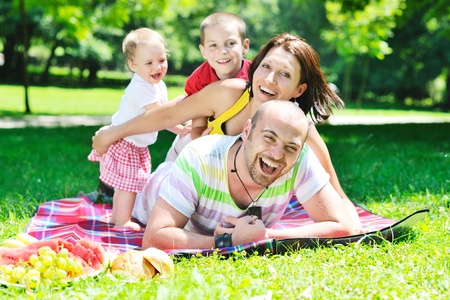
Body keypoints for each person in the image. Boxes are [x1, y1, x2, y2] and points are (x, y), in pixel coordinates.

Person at [92, 32, 361, 228]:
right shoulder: (230, 94)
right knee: (147, 209)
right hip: (182, 174)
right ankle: (116, 192)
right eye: (266, 66)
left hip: (222, 200)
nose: (269, 79)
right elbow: (170, 113)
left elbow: (334, 189)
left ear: (299, 90)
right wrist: (112, 133)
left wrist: (352, 222)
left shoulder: (297, 129)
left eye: (285, 74)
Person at [132, 101, 356, 250]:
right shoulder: (199, 157)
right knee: (129, 193)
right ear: (247, 130)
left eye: (290, 147)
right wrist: (226, 242)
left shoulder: (300, 158)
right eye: (269, 138)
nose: (277, 154)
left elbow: (342, 225)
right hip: (156, 188)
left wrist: (265, 235)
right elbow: (153, 238)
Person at [87, 28, 189, 230]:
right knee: (128, 185)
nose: (157, 67)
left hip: (132, 142)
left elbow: (160, 115)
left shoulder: (158, 85)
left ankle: (117, 217)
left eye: (161, 60)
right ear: (133, 65)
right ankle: (123, 221)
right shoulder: (140, 87)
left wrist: (179, 127)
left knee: (124, 184)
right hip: (127, 143)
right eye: (149, 63)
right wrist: (181, 128)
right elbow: (160, 117)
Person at [165, 11, 251, 161]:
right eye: (213, 45)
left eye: (230, 43)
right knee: (178, 163)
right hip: (203, 138)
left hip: (237, 139)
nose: (222, 51)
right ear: (203, 51)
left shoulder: (255, 74)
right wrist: (199, 138)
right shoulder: (199, 79)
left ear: (245, 46)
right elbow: (198, 123)